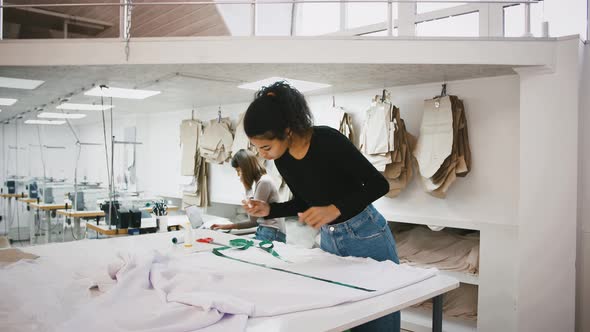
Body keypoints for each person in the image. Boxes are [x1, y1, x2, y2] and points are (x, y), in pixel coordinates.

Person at [241, 81, 400, 332]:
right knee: (345, 317)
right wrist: (270, 210)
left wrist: (335, 208)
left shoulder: (327, 140)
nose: (263, 155)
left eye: (266, 147)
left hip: (366, 234)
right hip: (329, 239)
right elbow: (304, 201)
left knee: (378, 320)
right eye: (258, 148)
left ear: (287, 130)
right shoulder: (283, 160)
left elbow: (378, 185)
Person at [211, 149, 286, 243]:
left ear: (246, 168)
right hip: (268, 231)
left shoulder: (264, 182)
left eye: (238, 170)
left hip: (271, 232)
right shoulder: (262, 181)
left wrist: (247, 188)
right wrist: (227, 226)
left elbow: (253, 219)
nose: (238, 174)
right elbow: (254, 220)